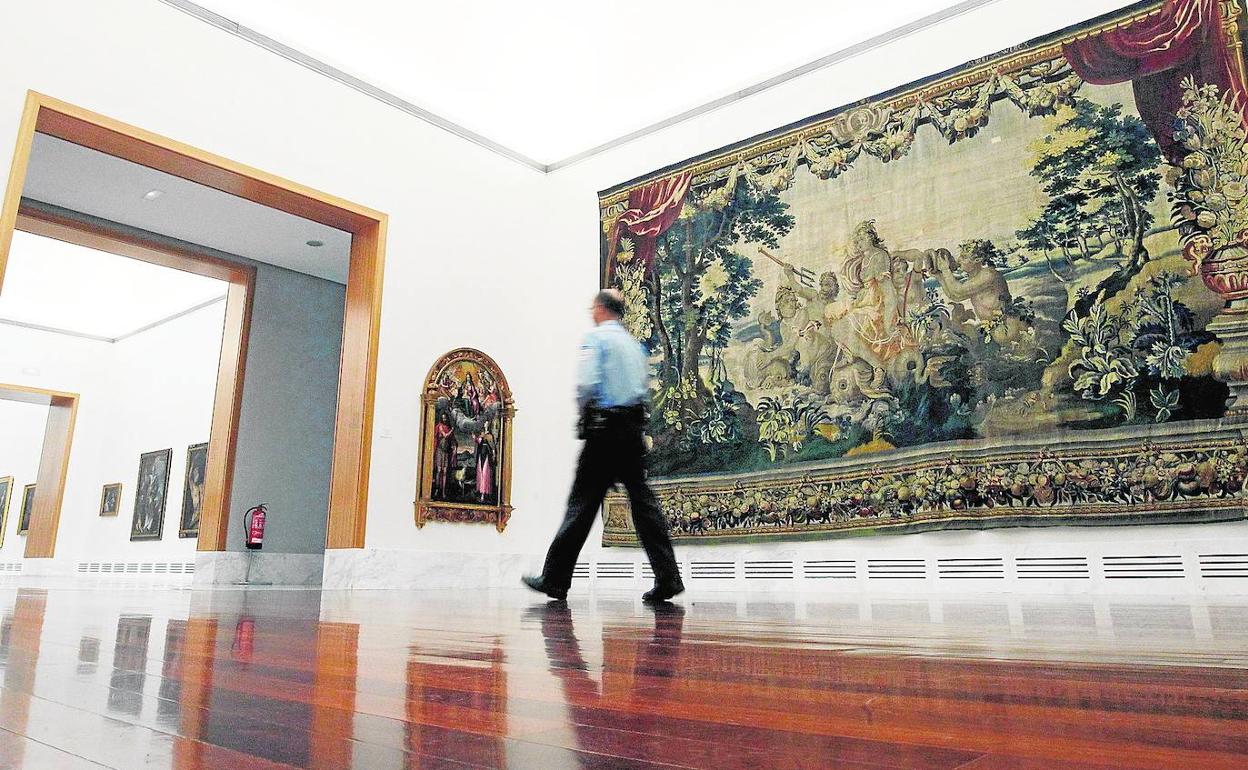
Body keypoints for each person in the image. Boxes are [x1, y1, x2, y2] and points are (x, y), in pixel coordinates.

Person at [523, 289, 684, 603]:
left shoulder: (595, 340)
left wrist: (585, 412)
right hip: (632, 429)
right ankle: (668, 577)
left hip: (604, 431)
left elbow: (586, 385)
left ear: (599, 309)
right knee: (644, 505)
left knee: (581, 504)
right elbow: (642, 390)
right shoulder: (635, 347)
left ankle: (555, 579)